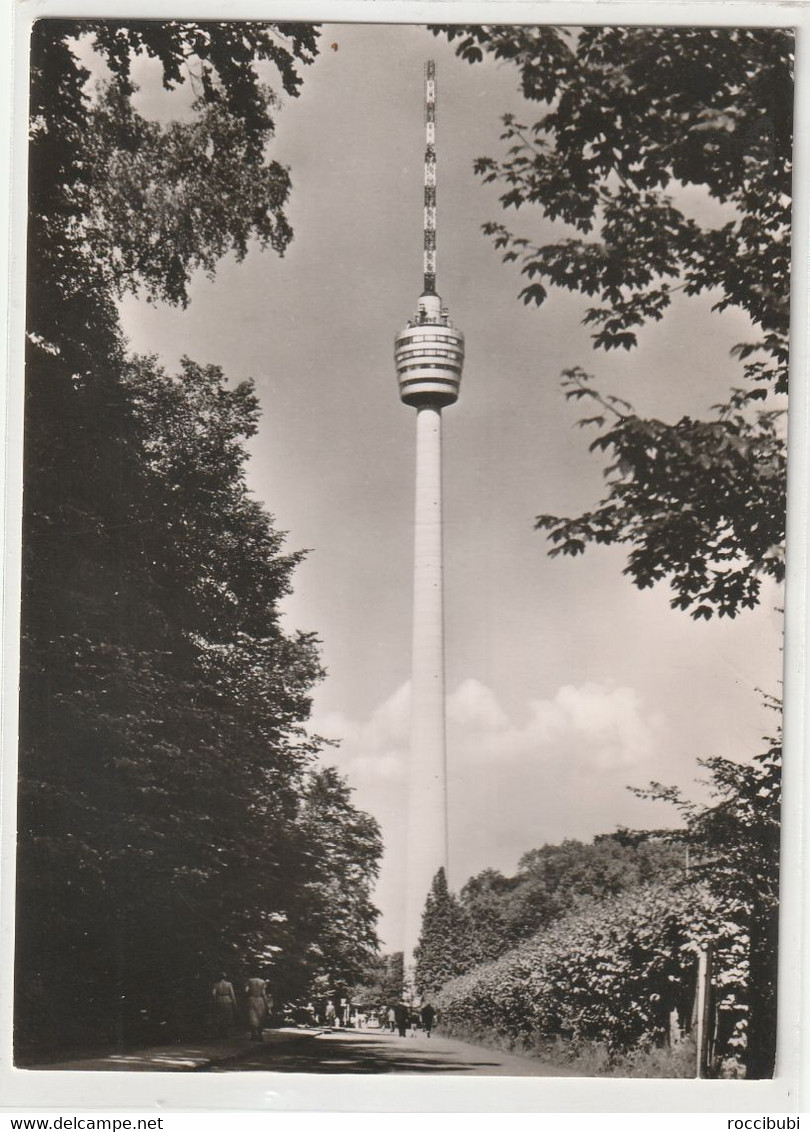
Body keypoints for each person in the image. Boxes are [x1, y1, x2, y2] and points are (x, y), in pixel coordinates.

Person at [245, 975, 270, 1041]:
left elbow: (246, 991)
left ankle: (253, 1035)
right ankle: (260, 1035)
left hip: (251, 999)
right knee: (260, 1017)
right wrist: (267, 1004)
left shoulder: (249, 980)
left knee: (252, 1016)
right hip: (260, 1000)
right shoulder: (262, 982)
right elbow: (263, 993)